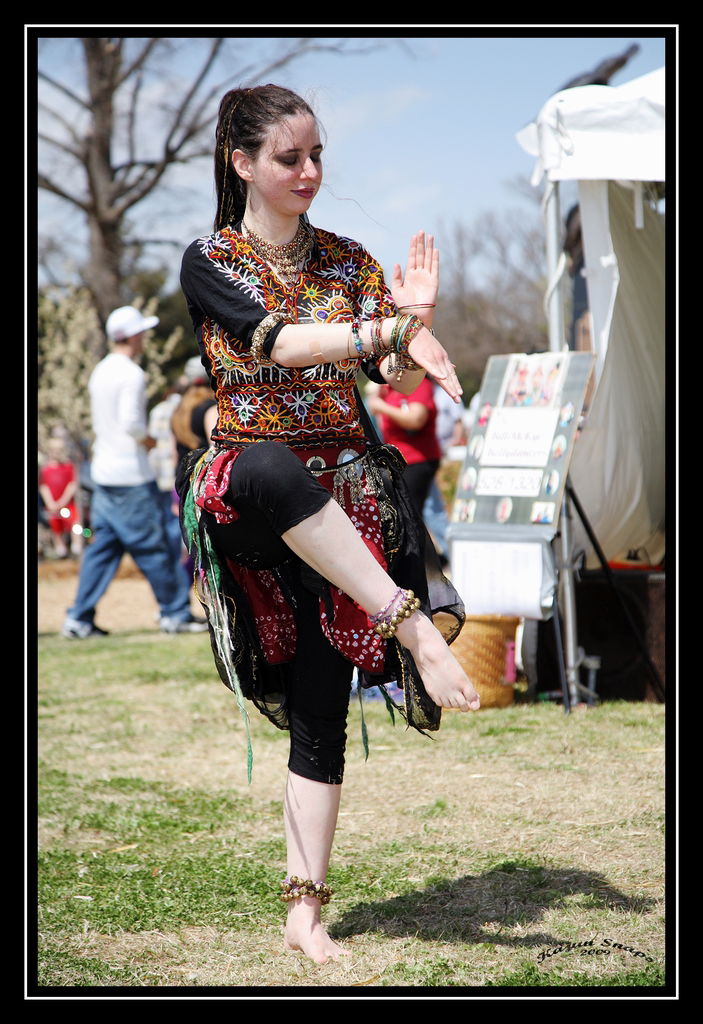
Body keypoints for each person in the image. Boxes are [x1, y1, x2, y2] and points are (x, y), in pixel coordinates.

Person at [177, 84, 480, 965]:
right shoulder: (213, 258)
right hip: (251, 493)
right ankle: (411, 624)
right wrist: (387, 324)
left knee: (320, 707)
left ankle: (305, 911)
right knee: (267, 467)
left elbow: (395, 383)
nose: (310, 172)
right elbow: (276, 343)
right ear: (242, 163)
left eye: (317, 157)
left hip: (345, 502)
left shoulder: (349, 260)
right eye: (289, 158)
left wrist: (412, 326)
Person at [62, 305, 208, 639]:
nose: (146, 337)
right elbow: (130, 422)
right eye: (142, 332)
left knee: (102, 549)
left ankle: (79, 619)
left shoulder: (101, 370)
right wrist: (147, 440)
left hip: (103, 472)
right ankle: (174, 613)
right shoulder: (131, 373)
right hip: (130, 474)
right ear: (132, 336)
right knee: (153, 546)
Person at [366, 375, 442, 516]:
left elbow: (416, 419)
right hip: (398, 460)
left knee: (411, 515)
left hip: (416, 459)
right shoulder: (388, 387)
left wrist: (381, 406)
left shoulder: (418, 382)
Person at [38, 436, 82, 558]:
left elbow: (72, 484)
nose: (56, 453)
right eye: (54, 450)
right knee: (55, 526)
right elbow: (43, 486)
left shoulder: (68, 467)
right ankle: (60, 549)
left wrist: (63, 500)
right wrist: (50, 502)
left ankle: (77, 546)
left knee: (75, 522)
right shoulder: (45, 469)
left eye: (59, 450)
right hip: (52, 504)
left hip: (68, 503)